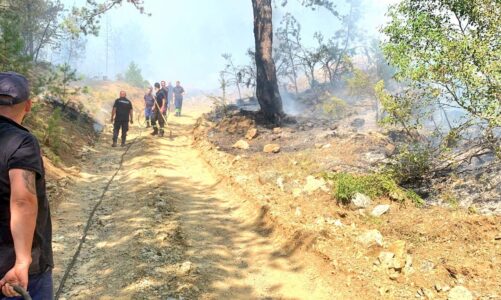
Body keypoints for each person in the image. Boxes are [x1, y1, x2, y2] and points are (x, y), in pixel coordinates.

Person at [0, 72, 54, 299]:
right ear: (28, 106)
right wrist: (23, 260)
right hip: (13, 271)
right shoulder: (21, 141)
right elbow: (23, 200)